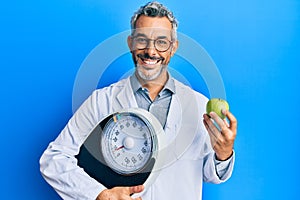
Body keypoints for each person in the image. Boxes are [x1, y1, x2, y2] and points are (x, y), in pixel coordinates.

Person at [40, 1, 237, 200]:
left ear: (173, 47)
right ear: (130, 43)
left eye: (161, 42)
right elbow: (53, 159)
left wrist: (224, 153)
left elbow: (211, 174)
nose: (151, 51)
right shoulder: (102, 101)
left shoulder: (199, 106)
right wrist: (100, 195)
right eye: (142, 40)